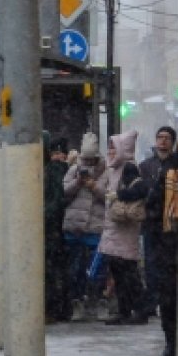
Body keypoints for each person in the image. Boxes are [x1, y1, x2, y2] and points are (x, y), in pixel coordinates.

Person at [98, 130, 150, 326]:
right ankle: (125, 311)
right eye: (110, 147)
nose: (111, 151)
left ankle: (139, 310)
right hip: (114, 228)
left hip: (124, 228)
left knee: (128, 273)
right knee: (120, 273)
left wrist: (118, 195)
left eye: (114, 147)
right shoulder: (114, 169)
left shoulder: (128, 168)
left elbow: (139, 191)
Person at [62, 133, 106, 313]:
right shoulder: (74, 170)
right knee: (75, 267)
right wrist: (78, 182)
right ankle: (77, 299)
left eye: (90, 159)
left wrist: (94, 186)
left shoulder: (105, 171)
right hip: (74, 226)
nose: (87, 164)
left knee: (96, 266)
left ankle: (95, 296)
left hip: (95, 225)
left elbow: (108, 196)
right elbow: (64, 192)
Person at [147, 138, 178, 356]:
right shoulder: (168, 176)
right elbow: (152, 206)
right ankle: (171, 343)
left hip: (170, 248)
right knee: (169, 300)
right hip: (171, 248)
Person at [140, 126, 177, 321]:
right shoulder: (146, 166)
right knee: (151, 264)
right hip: (151, 222)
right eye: (159, 137)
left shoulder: (176, 165)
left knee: (168, 265)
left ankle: (166, 301)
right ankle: (152, 302)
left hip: (171, 223)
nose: (162, 141)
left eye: (167, 138)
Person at [44, 135, 71, 322]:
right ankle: (62, 306)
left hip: (53, 228)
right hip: (63, 228)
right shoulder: (67, 171)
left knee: (52, 270)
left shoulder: (50, 171)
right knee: (59, 270)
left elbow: (55, 201)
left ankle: (55, 307)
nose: (57, 156)